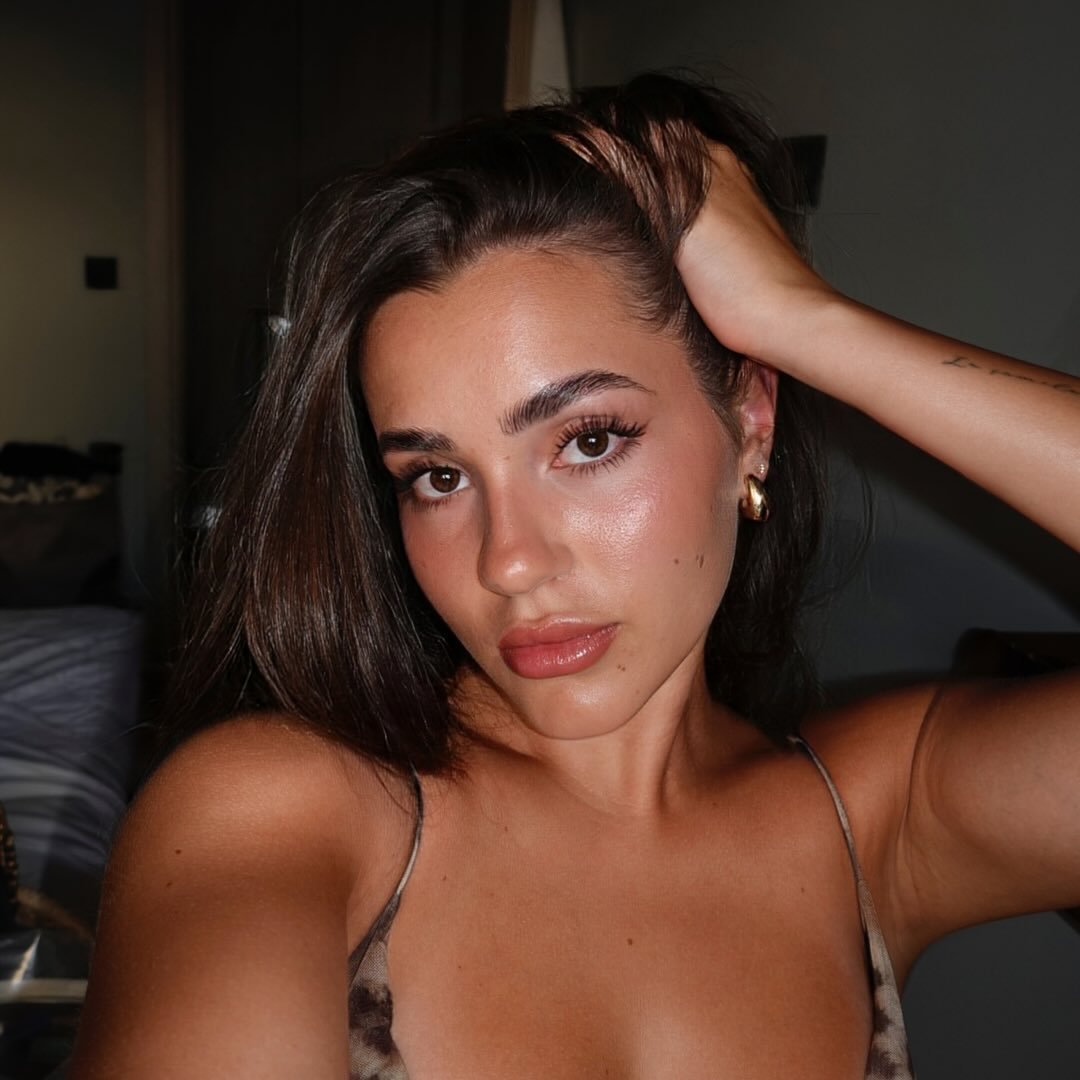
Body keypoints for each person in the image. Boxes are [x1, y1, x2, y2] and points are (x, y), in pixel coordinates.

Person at [70, 73, 1079, 1079]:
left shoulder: (877, 821)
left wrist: (806, 321)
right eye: (438, 476)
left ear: (750, 420)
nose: (509, 560)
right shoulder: (285, 817)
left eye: (588, 440)